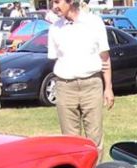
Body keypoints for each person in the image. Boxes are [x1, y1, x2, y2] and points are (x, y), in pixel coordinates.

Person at [47, 0, 113, 158]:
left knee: (94, 138)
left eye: (57, 2)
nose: (54, 7)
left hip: (91, 85)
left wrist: (108, 88)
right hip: (65, 87)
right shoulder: (55, 28)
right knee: (70, 141)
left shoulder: (94, 23)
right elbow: (55, 57)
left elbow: (105, 58)